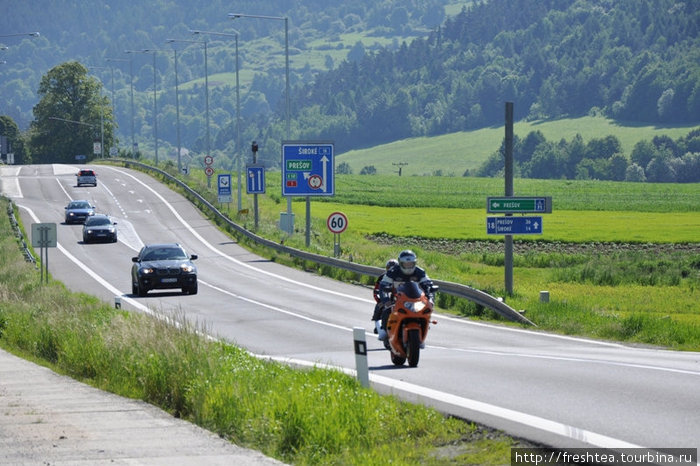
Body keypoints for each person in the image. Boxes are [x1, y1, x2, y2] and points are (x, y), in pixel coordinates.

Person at [376, 249, 435, 340]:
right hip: (397, 300)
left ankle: (423, 329)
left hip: (416, 300)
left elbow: (428, 285)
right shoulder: (392, 272)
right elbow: (383, 285)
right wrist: (386, 301)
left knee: (426, 312)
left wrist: (430, 299)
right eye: (406, 264)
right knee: (386, 311)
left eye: (410, 264)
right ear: (400, 263)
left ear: (414, 263)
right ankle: (386, 332)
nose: (408, 267)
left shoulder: (420, 272)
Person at [371, 259, 398, 332]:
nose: (391, 270)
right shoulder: (382, 276)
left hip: (398, 297)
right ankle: (377, 324)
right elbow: (376, 289)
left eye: (393, 268)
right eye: (389, 268)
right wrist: (379, 300)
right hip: (386, 297)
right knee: (379, 306)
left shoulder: (401, 277)